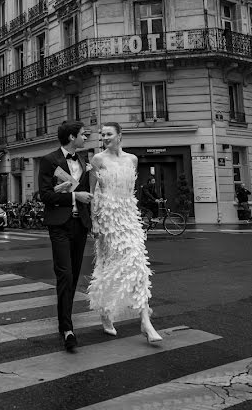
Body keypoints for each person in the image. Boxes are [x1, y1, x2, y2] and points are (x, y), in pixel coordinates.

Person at [87, 121, 163, 344]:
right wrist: (94, 221)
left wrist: (133, 214)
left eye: (109, 134)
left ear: (120, 135)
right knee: (108, 266)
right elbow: (91, 192)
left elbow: (130, 191)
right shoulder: (98, 159)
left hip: (129, 217)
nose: (105, 137)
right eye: (102, 135)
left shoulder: (133, 159)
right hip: (107, 218)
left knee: (138, 263)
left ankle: (145, 322)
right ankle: (105, 312)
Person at [37, 120, 93, 353]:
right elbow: (46, 195)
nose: (85, 138)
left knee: (75, 275)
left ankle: (65, 321)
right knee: (65, 276)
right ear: (71, 137)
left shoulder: (83, 160)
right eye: (83, 134)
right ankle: (67, 329)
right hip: (59, 225)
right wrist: (74, 197)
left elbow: (89, 194)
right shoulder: (49, 160)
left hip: (80, 225)